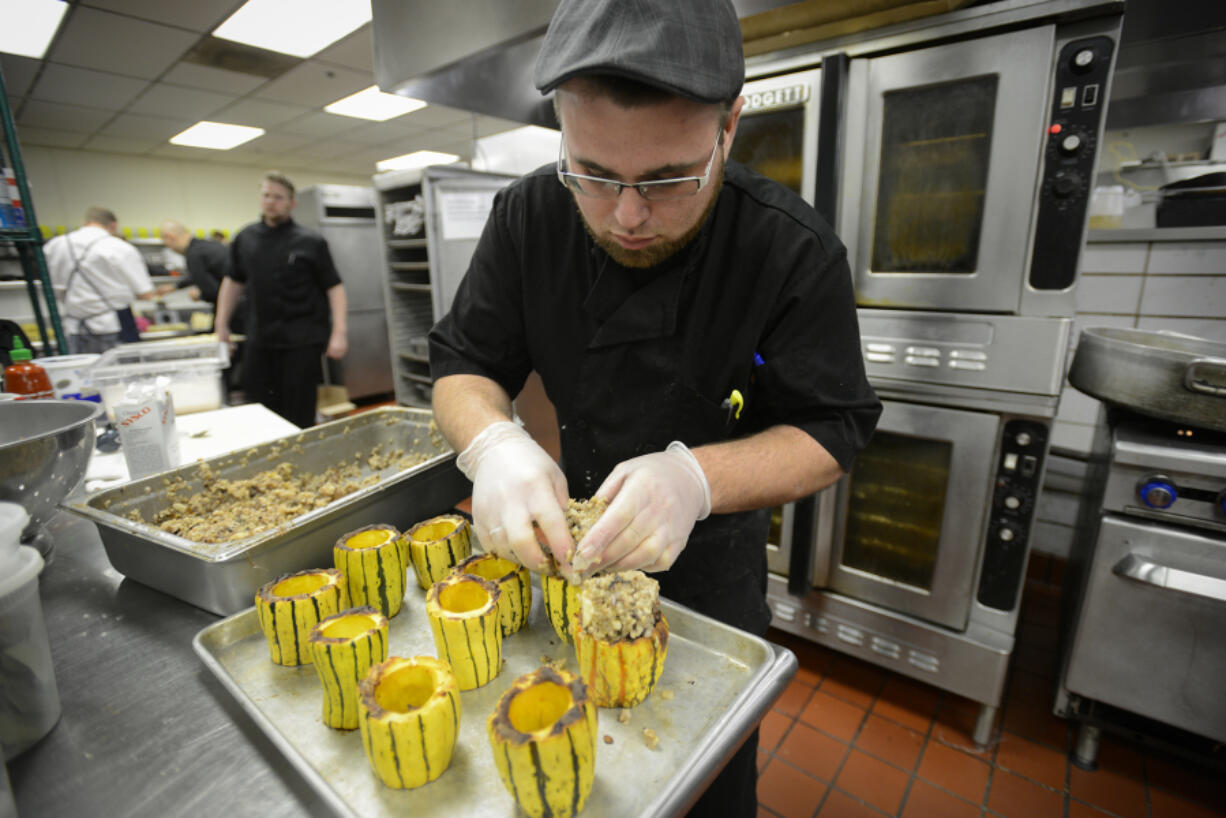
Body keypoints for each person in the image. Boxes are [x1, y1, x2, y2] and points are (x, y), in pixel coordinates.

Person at [428, 0, 881, 814]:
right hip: (567, 562)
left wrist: (696, 479)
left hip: (712, 578)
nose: (627, 216)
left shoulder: (791, 251)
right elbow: (462, 365)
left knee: (704, 791)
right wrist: (494, 443)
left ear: (729, 128)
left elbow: (834, 428)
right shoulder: (529, 217)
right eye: (593, 174)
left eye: (668, 179)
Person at [214, 171, 348, 428]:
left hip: (302, 341)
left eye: (278, 197)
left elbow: (334, 287)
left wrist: (339, 332)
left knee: (299, 410)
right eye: (266, 195)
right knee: (258, 409)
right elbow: (233, 282)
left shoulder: (311, 241)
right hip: (259, 339)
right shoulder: (245, 238)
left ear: (291, 203)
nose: (271, 201)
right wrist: (222, 324)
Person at [45, 206, 157, 354]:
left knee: (82, 372)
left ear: (85, 222)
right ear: (113, 225)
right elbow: (146, 294)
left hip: (74, 327)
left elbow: (54, 287)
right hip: (113, 325)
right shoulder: (118, 247)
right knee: (122, 372)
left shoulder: (54, 246)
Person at [159, 221, 228, 305]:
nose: (172, 250)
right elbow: (199, 274)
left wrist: (199, 295)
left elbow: (212, 292)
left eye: (169, 246)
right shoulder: (206, 246)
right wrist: (175, 286)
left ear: (171, 237)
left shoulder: (194, 255)